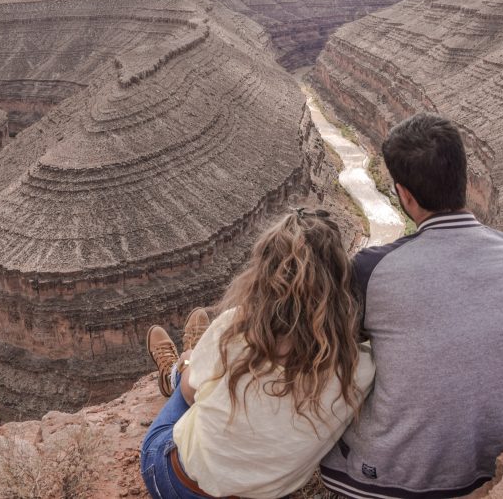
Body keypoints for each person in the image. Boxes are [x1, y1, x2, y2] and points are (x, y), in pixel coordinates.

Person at [320, 113, 503, 498]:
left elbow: (331, 346)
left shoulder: (372, 269)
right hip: (493, 465)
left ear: (404, 195)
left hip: (392, 478)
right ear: (465, 179)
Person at [139, 209, 376, 499]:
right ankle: (191, 358)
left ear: (263, 275)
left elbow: (191, 396)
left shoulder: (235, 328)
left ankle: (175, 369)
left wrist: (192, 368)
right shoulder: (360, 364)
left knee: (188, 383)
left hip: (176, 485)